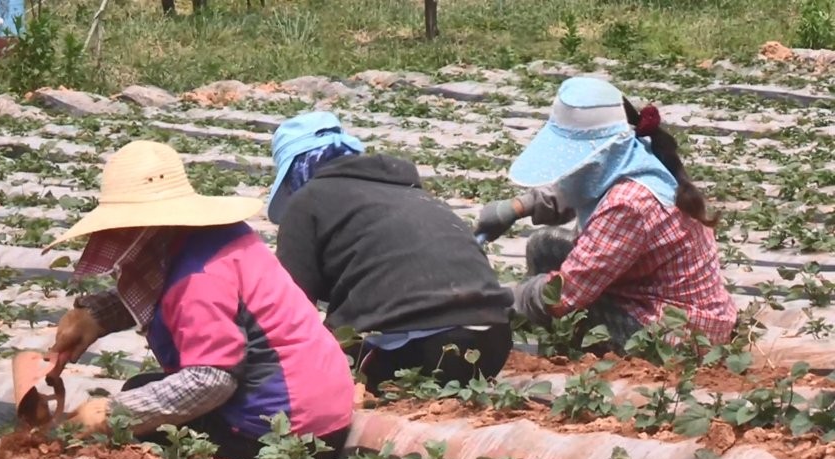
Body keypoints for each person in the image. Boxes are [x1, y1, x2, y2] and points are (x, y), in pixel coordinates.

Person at [41, 140, 355, 459]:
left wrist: (110, 413)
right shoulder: (216, 237)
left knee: (136, 419)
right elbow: (166, 291)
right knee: (143, 388)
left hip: (284, 430)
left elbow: (210, 380)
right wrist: (97, 316)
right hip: (323, 406)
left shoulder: (199, 277)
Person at [474, 76, 737, 351]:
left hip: (680, 331)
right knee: (544, 247)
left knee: (566, 305)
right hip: (648, 292)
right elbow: (575, 187)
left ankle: (556, 342)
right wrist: (516, 207)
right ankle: (544, 329)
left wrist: (499, 299)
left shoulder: (628, 205)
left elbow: (566, 293)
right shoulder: (631, 154)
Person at [265, 111, 516, 394]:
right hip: (494, 344)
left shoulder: (307, 200)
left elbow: (290, 308)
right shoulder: (408, 190)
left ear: (297, 170)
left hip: (414, 350)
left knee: (321, 365)